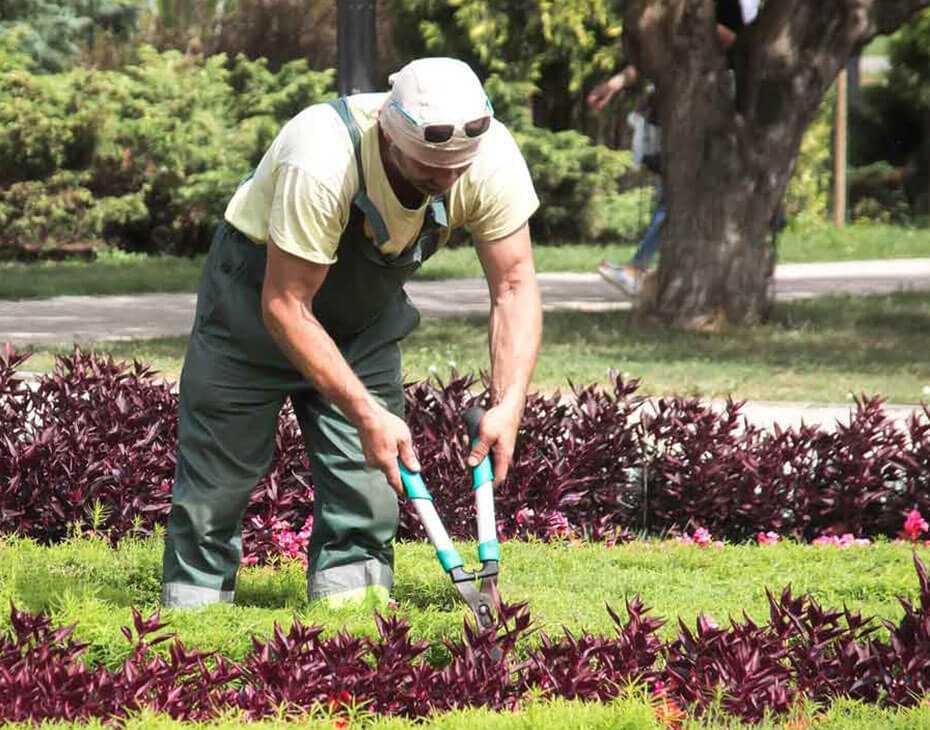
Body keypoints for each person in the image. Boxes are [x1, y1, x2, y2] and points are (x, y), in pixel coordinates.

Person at [161, 57, 542, 610]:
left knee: (369, 486)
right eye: (430, 168)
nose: (448, 181)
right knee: (217, 482)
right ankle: (193, 622)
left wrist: (509, 404)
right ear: (389, 134)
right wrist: (365, 412)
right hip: (253, 311)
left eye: (458, 169)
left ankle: (353, 624)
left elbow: (513, 284)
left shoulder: (488, 157)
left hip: (362, 323)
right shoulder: (321, 156)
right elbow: (286, 305)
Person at [588, 0, 760, 297]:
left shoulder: (724, 8)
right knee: (676, 193)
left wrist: (700, 25)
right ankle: (650, 270)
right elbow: (657, 58)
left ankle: (640, 268)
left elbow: (740, 46)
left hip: (719, 110)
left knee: (681, 193)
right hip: (686, 114)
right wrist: (615, 84)